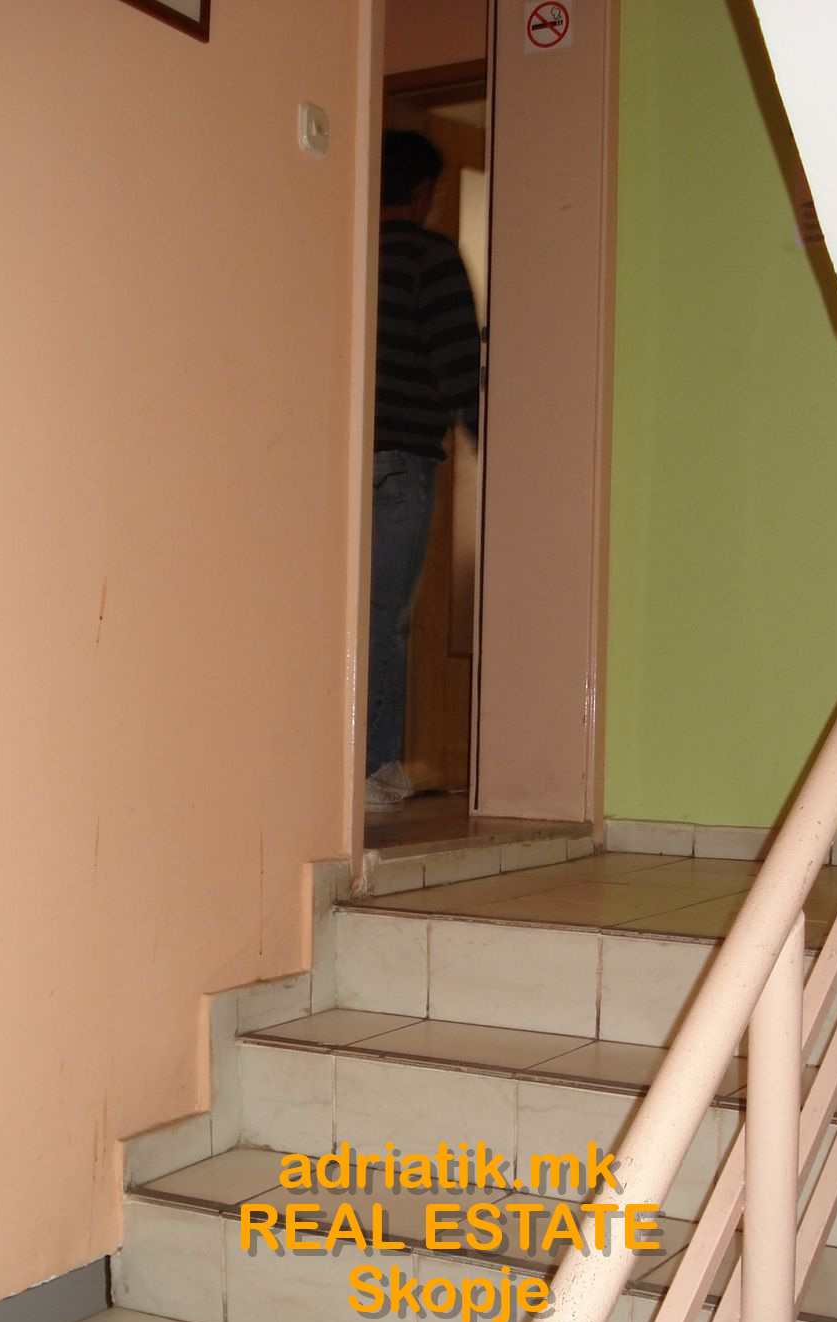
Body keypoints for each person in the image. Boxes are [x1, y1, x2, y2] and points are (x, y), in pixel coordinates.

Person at [366, 129, 481, 811]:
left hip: (339, 461)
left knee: (345, 616)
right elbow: (456, 362)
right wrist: (483, 433)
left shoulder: (345, 246)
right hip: (402, 461)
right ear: (421, 192)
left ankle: (341, 766)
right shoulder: (429, 257)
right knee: (385, 619)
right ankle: (374, 769)